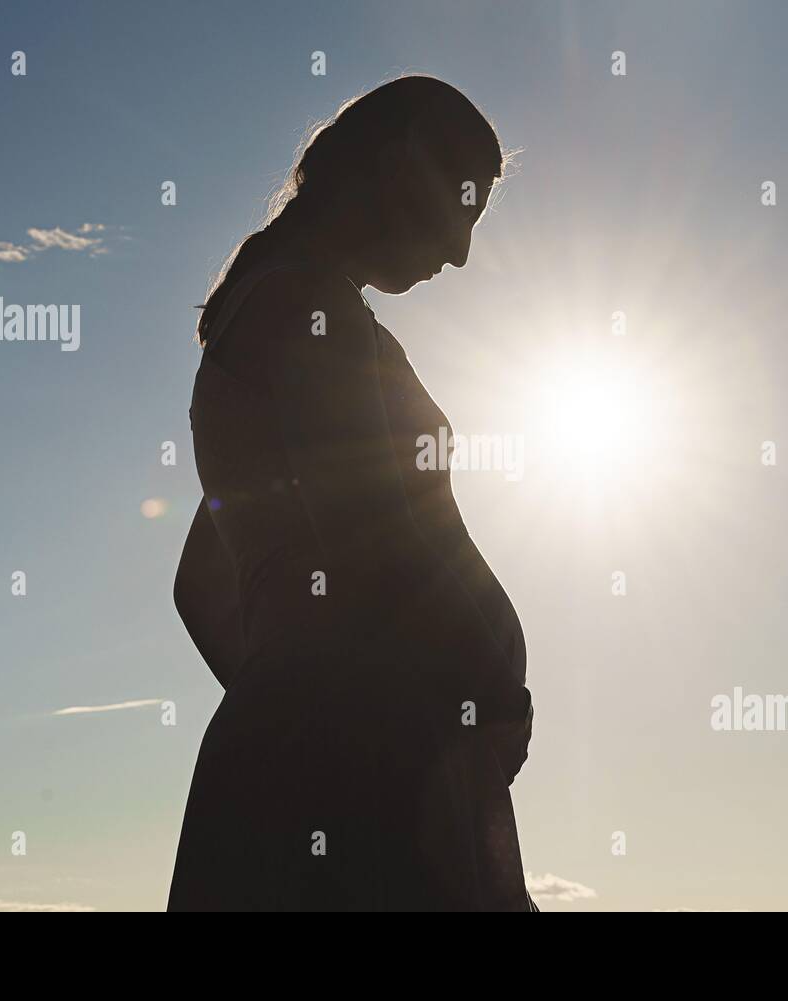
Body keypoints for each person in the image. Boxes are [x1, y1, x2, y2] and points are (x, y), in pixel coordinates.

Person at [168, 75, 535, 911]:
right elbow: (379, 547)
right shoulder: (305, 310)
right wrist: (456, 701)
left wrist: (289, 696)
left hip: (332, 753)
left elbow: (199, 584)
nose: (462, 252)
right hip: (371, 772)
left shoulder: (278, 313)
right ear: (403, 166)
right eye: (464, 206)